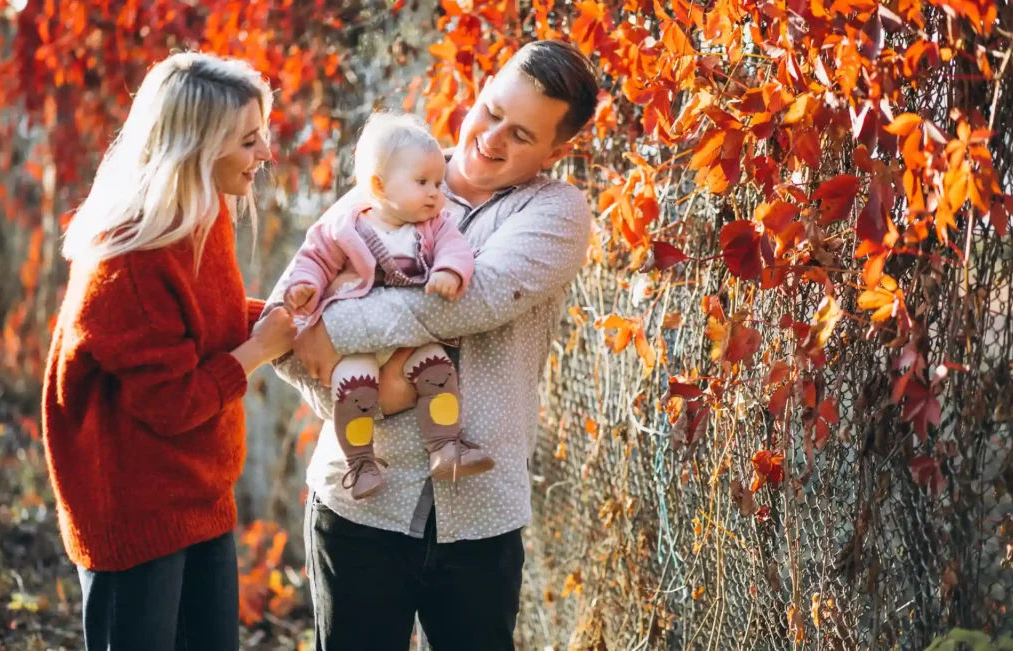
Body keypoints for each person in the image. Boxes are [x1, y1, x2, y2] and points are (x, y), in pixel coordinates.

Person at [266, 39, 600, 650]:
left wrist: (335, 329)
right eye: (493, 110)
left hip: (479, 515)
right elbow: (283, 326)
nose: (492, 138)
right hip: (358, 504)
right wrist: (356, 397)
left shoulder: (556, 211)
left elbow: (477, 299)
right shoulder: (389, 180)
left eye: (522, 135)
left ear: (559, 149)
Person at [41, 52, 296, 651]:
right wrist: (259, 349)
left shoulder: (204, 215)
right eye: (249, 140)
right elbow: (171, 402)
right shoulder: (129, 257)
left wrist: (282, 318)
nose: (265, 153)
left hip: (198, 489)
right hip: (134, 507)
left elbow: (201, 328)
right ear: (197, 147)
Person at [281, 112, 490, 501]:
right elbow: (313, 259)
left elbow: (456, 250)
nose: (434, 193)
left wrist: (448, 271)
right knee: (354, 392)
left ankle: (446, 446)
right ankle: (360, 464)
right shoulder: (345, 227)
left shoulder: (436, 226)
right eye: (422, 182)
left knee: (439, 373)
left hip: (410, 336)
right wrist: (305, 286)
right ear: (379, 185)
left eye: (438, 184)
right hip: (356, 342)